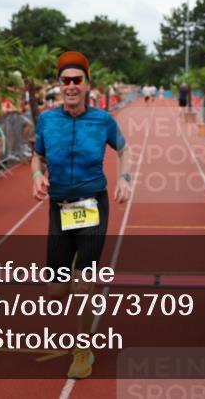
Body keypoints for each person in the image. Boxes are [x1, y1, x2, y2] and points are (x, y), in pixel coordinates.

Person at [31, 51, 131, 379]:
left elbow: (125, 149)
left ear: (88, 85)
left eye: (77, 80)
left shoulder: (103, 121)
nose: (71, 86)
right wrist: (37, 176)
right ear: (60, 86)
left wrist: (125, 179)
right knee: (57, 291)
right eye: (66, 81)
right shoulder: (47, 120)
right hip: (60, 208)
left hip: (91, 206)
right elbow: (37, 157)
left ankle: (82, 351)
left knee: (82, 286)